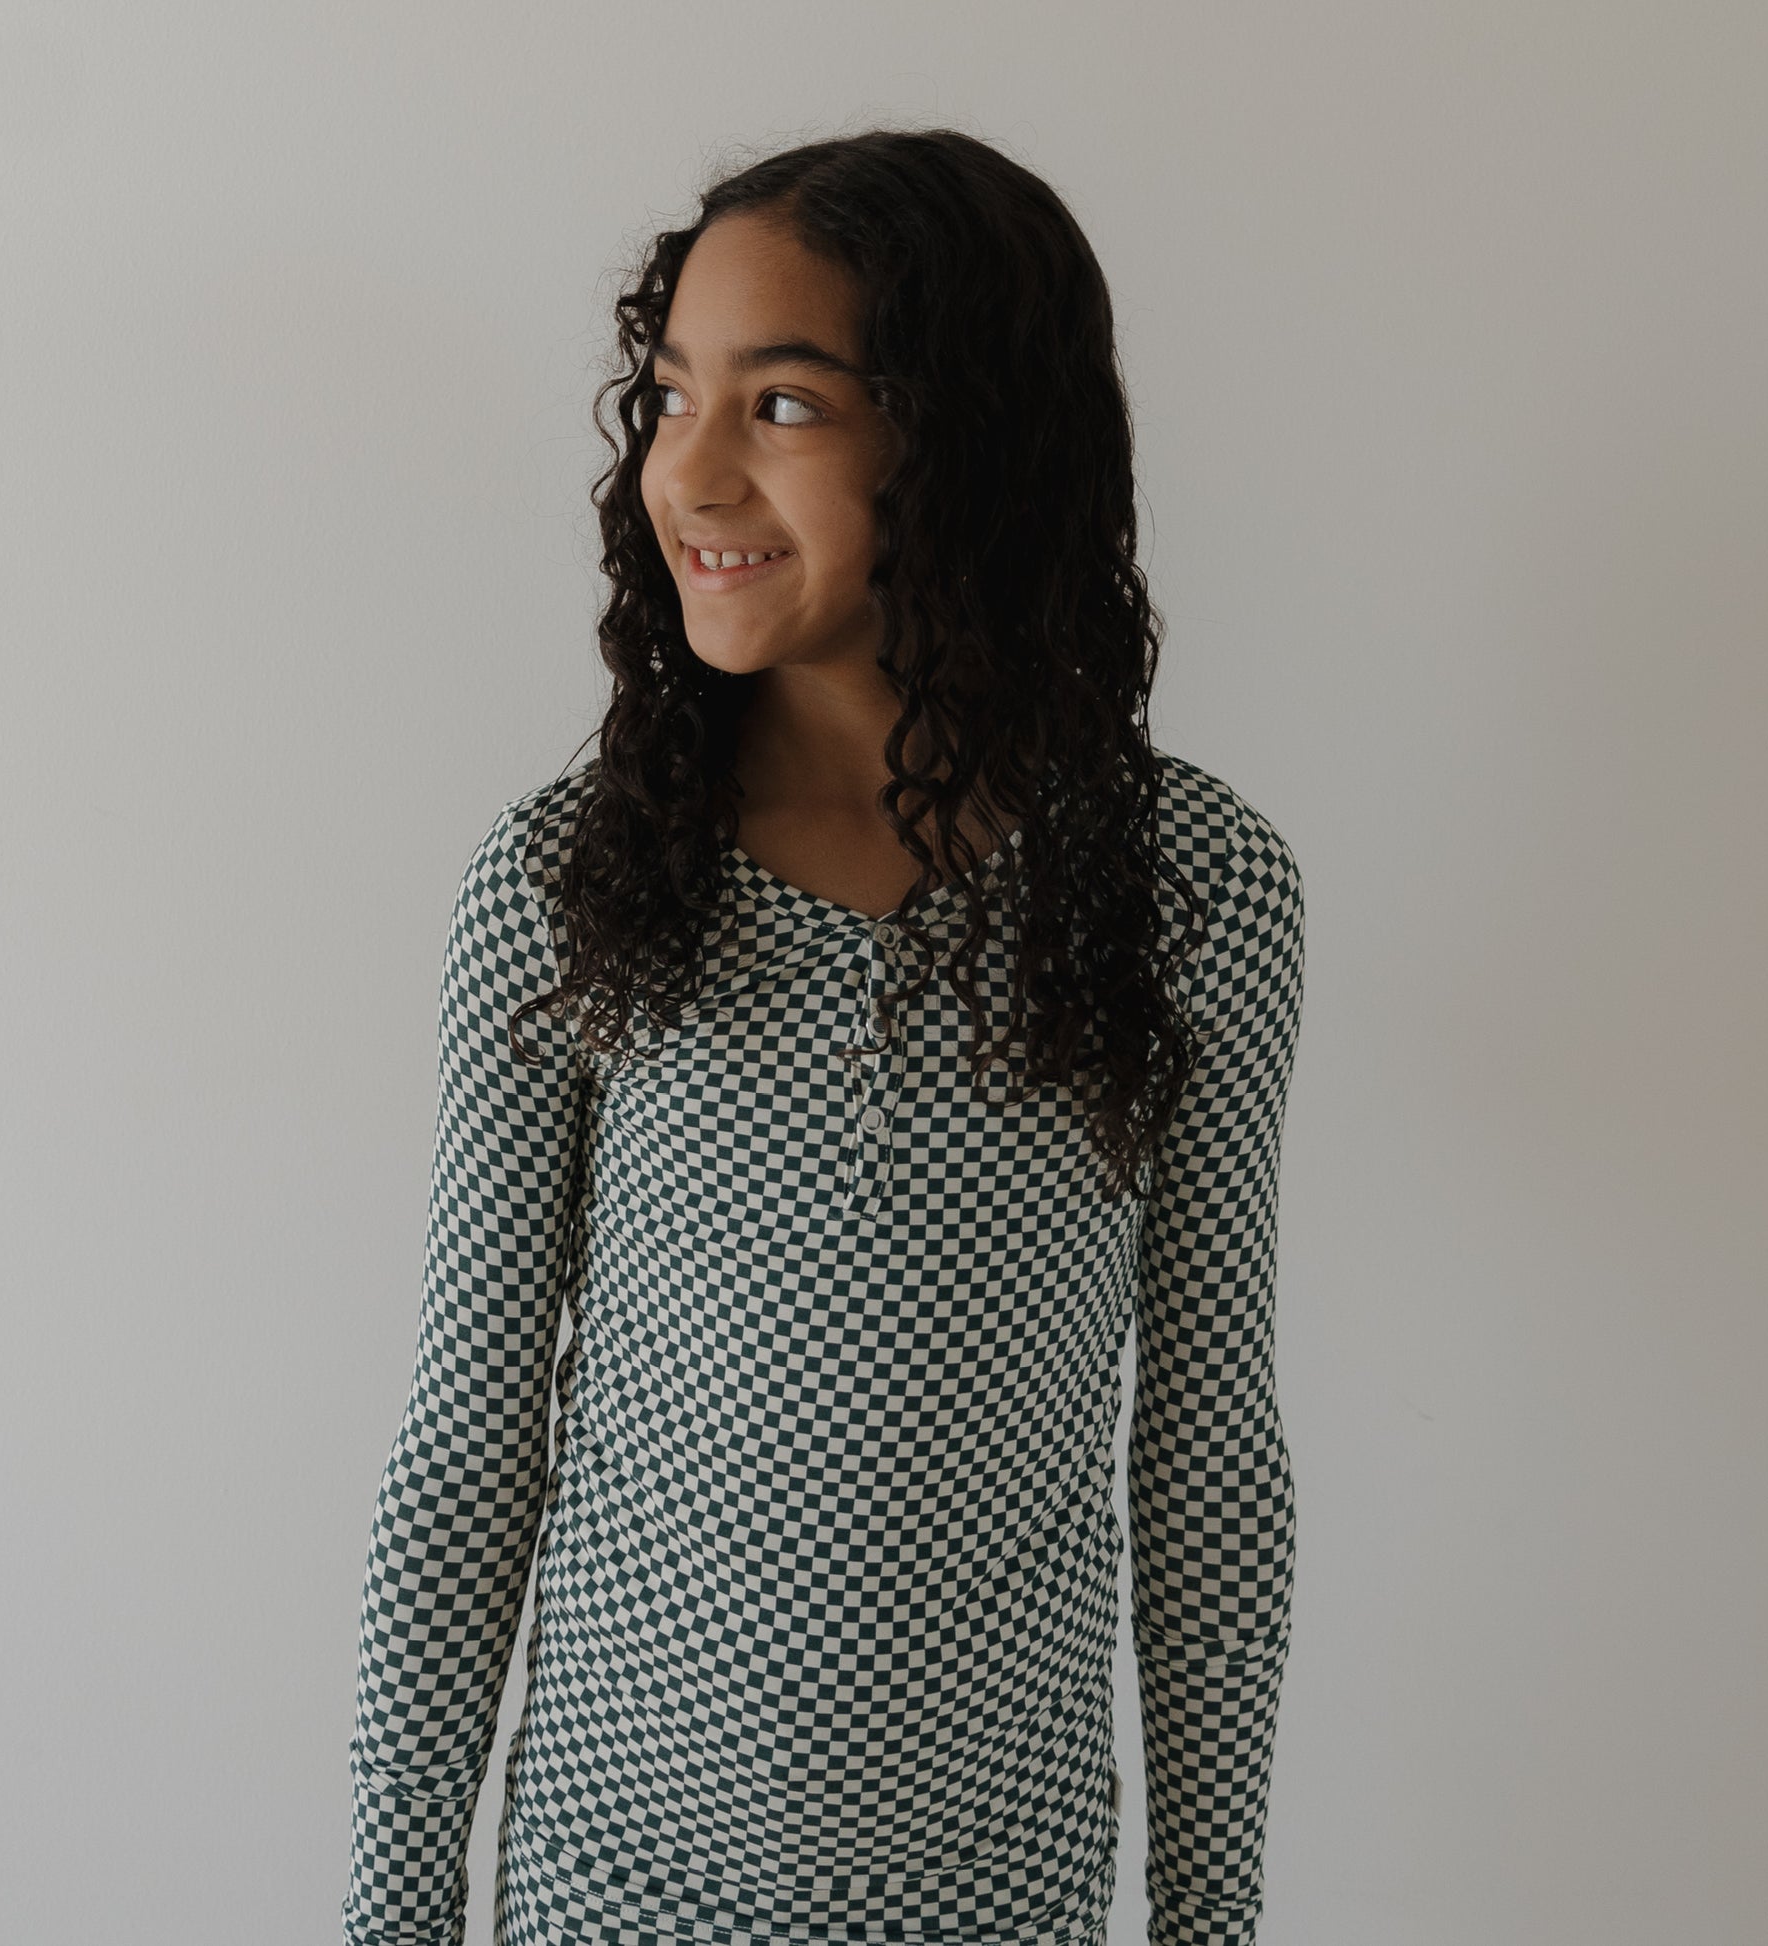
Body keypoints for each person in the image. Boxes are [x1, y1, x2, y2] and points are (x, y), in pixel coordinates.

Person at [341, 127, 1306, 1946]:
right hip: (614, 1882)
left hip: (1000, 1888)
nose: (687, 469)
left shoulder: (1185, 890)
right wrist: (393, 1916)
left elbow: (1203, 1464)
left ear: (972, 441)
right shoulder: (569, 889)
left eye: (782, 403)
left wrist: (1208, 1918)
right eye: (667, 396)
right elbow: (465, 1450)